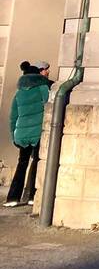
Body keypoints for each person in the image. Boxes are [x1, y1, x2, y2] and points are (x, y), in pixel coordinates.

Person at [5, 60, 52, 208]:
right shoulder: (43, 88)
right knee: (36, 163)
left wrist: (14, 136)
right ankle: (32, 195)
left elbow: (13, 117)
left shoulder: (18, 93)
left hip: (21, 134)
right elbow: (48, 105)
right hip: (37, 132)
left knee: (22, 164)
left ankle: (13, 197)